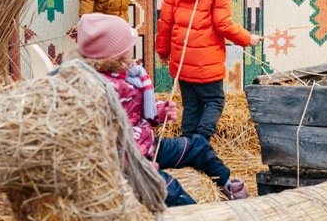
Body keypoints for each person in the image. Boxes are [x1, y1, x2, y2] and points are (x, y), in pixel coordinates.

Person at [77, 12, 249, 201]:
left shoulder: (129, 76)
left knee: (198, 144)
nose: (132, 50)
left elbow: (139, 110)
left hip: (148, 145)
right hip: (128, 161)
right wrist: (138, 168)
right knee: (170, 190)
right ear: (113, 55)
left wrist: (159, 112)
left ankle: (226, 184)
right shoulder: (97, 90)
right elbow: (105, 141)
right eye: (128, 47)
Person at [156, 0, 261, 140]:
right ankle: (200, 142)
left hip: (182, 60)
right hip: (207, 62)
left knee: (192, 105)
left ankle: (186, 146)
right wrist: (248, 39)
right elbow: (222, 24)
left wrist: (162, 50)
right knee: (214, 101)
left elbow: (165, 20)